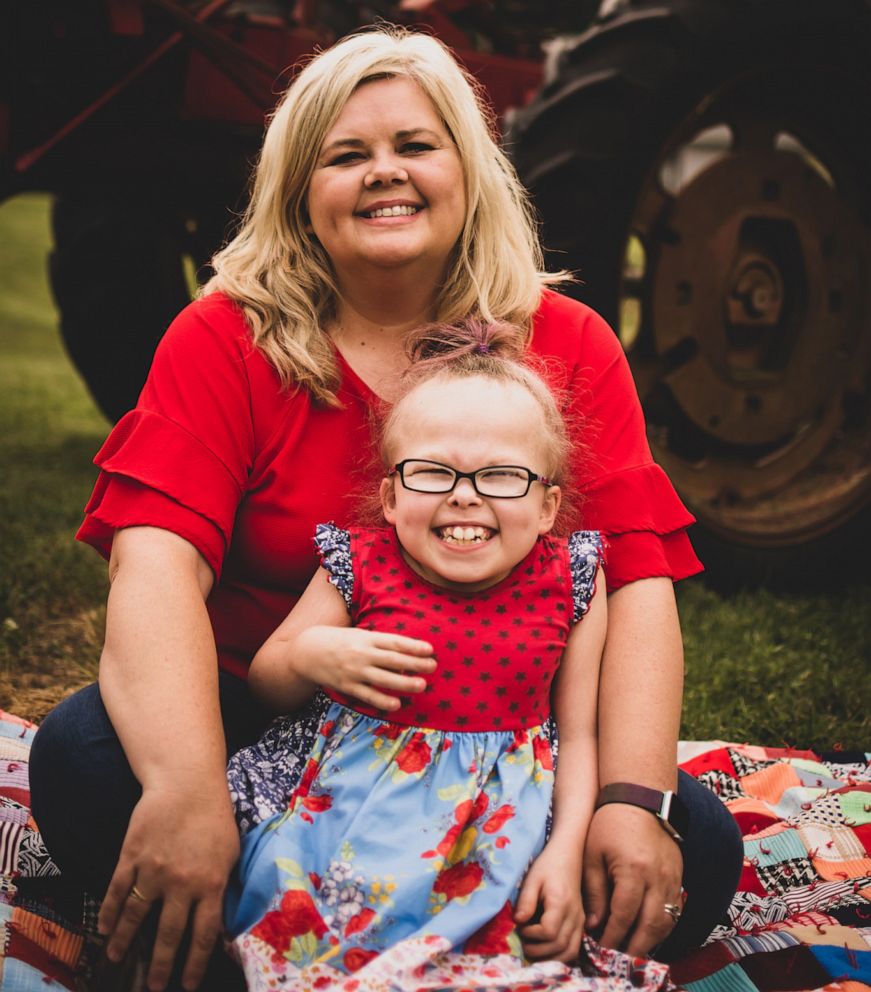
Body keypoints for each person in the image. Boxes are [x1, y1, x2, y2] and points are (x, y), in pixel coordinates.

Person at [28, 24, 742, 992]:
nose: (383, 174)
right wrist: (188, 786)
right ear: (298, 191)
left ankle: (359, 941)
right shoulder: (225, 336)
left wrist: (627, 798)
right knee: (82, 759)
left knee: (691, 842)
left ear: (469, 168)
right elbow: (154, 565)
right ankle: (300, 933)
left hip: (499, 748)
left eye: (414, 146)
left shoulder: (567, 340)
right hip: (265, 731)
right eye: (345, 155)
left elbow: (637, 583)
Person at [223, 318, 677, 991]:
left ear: (548, 506)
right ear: (390, 495)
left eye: (500, 475)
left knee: (523, 938)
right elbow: (268, 678)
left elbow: (579, 735)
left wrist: (564, 850)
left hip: (500, 821)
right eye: (433, 471)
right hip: (349, 807)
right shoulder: (358, 562)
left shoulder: (574, 581)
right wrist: (313, 654)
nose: (464, 494)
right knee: (286, 916)